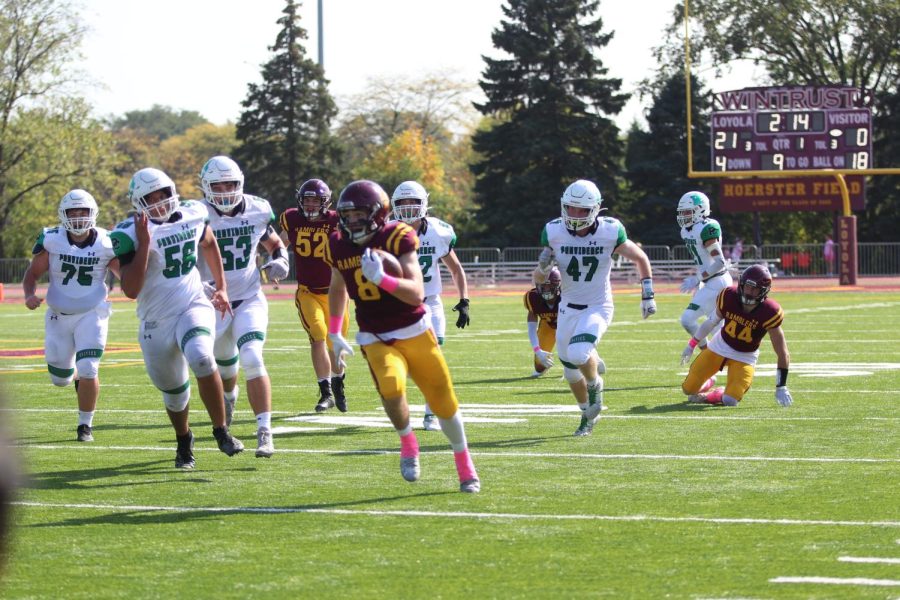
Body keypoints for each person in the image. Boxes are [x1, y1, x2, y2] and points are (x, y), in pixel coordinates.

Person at [325, 180, 480, 493]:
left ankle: (465, 464)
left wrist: (381, 278)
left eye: (359, 214)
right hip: (374, 334)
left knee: (444, 401)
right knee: (391, 388)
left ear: (377, 214)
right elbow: (338, 286)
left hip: (415, 328)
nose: (352, 221)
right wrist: (333, 329)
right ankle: (409, 442)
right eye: (347, 214)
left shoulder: (398, 236)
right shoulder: (338, 242)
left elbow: (416, 294)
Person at [110, 167, 244, 469]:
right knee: (175, 395)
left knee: (201, 357)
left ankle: (221, 431)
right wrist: (145, 243)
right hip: (155, 320)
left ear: (173, 191)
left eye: (163, 194)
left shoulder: (194, 213)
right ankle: (184, 439)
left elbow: (209, 243)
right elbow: (131, 289)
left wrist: (221, 287)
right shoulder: (128, 233)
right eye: (150, 198)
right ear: (138, 202)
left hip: (192, 303)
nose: (158, 202)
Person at [534, 179, 656, 437]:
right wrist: (543, 269)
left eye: (581, 210)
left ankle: (595, 384)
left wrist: (647, 294)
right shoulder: (553, 231)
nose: (575, 215)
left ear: (596, 209)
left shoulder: (610, 231)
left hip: (597, 305)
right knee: (568, 371)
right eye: (570, 208)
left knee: (579, 354)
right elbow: (539, 281)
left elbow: (640, 258)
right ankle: (587, 414)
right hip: (567, 306)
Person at [198, 156, 289, 458]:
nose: (224, 191)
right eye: (218, 185)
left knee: (252, 357)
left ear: (240, 184)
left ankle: (264, 431)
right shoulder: (196, 214)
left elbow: (273, 242)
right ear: (206, 187)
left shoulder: (257, 209)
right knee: (223, 364)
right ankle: (229, 396)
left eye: (230, 184)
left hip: (249, 297)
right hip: (210, 301)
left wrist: (280, 260)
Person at [22, 189, 119, 442]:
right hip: (58, 315)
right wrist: (29, 295)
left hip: (93, 313)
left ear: (93, 213)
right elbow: (32, 274)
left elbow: (126, 276)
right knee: (60, 380)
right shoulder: (52, 239)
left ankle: (85, 425)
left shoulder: (106, 242)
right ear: (63, 215)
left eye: (82, 212)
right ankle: (74, 375)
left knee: (89, 368)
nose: (77, 217)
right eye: (72, 212)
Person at [390, 181, 470, 431]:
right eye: (402, 203)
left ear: (423, 204)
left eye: (413, 202)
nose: (408, 208)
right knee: (401, 362)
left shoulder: (438, 231)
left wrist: (464, 299)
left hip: (431, 302)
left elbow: (455, 268)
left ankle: (430, 414)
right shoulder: (387, 232)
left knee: (434, 357)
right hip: (399, 304)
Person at [279, 178, 350, 413]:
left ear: (325, 202)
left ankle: (338, 383)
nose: (310, 205)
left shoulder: (336, 220)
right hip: (308, 291)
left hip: (335, 294)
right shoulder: (292, 219)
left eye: (315, 201)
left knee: (335, 345)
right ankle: (326, 392)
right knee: (318, 335)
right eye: (307, 200)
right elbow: (281, 243)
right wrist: (277, 259)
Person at [680, 264, 793, 408]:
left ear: (763, 291)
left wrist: (781, 385)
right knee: (687, 389)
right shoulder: (728, 296)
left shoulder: (770, 312)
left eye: (755, 289)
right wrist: (691, 345)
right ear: (741, 284)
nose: (749, 292)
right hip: (718, 348)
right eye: (747, 286)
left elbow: (782, 353)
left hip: (745, 357)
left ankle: (713, 395)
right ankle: (707, 381)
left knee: (730, 400)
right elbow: (711, 322)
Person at [676, 191, 733, 360]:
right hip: (709, 282)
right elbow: (703, 260)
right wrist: (700, 280)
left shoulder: (707, 228)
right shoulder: (687, 231)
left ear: (700, 210)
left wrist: (697, 279)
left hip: (718, 282)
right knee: (716, 329)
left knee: (697, 322)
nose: (683, 216)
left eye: (687, 212)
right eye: (682, 212)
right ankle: (713, 360)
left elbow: (720, 262)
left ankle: (714, 360)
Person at [524, 267, 560, 378]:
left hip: (569, 327)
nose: (545, 289)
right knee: (540, 366)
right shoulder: (532, 297)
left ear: (557, 285)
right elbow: (531, 328)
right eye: (542, 285)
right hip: (548, 326)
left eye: (548, 285)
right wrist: (538, 350)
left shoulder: (568, 295)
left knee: (575, 356)